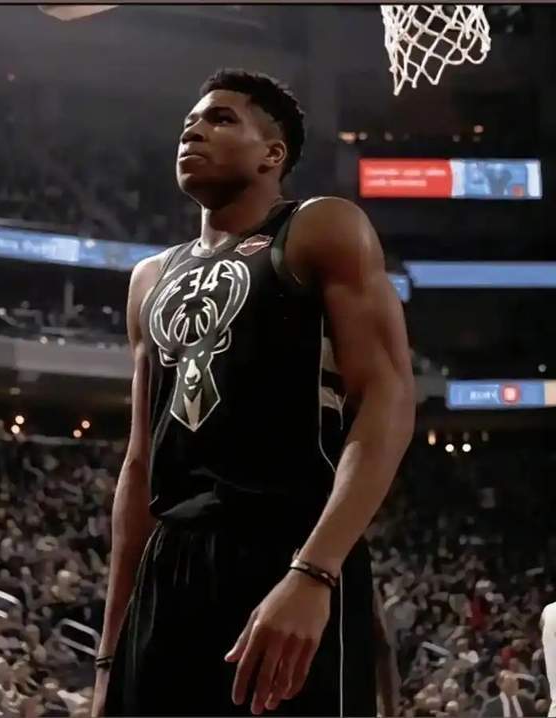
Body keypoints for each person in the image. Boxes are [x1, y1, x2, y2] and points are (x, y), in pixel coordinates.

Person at [95, 68, 415, 717]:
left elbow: (388, 397)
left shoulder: (320, 226)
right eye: (189, 123)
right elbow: (139, 464)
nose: (193, 131)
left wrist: (315, 569)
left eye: (220, 119)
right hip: (171, 563)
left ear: (273, 154)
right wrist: (108, 654)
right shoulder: (149, 277)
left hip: (288, 542)